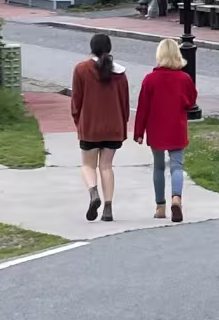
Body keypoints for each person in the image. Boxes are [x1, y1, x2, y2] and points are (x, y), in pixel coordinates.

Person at [133, 38, 198, 223]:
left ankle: (160, 207)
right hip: (176, 127)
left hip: (156, 129)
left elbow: (143, 107)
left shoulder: (150, 79)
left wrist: (139, 132)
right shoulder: (184, 78)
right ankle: (176, 198)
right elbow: (191, 101)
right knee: (177, 166)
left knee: (159, 167)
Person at [70, 32, 130, 222]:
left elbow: (76, 101)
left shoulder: (81, 69)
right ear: (109, 48)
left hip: (90, 125)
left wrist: (78, 121)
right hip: (114, 126)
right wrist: (122, 123)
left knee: (88, 165)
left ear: (92, 47)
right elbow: (125, 103)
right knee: (106, 166)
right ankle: (108, 208)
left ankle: (93, 193)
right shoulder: (120, 74)